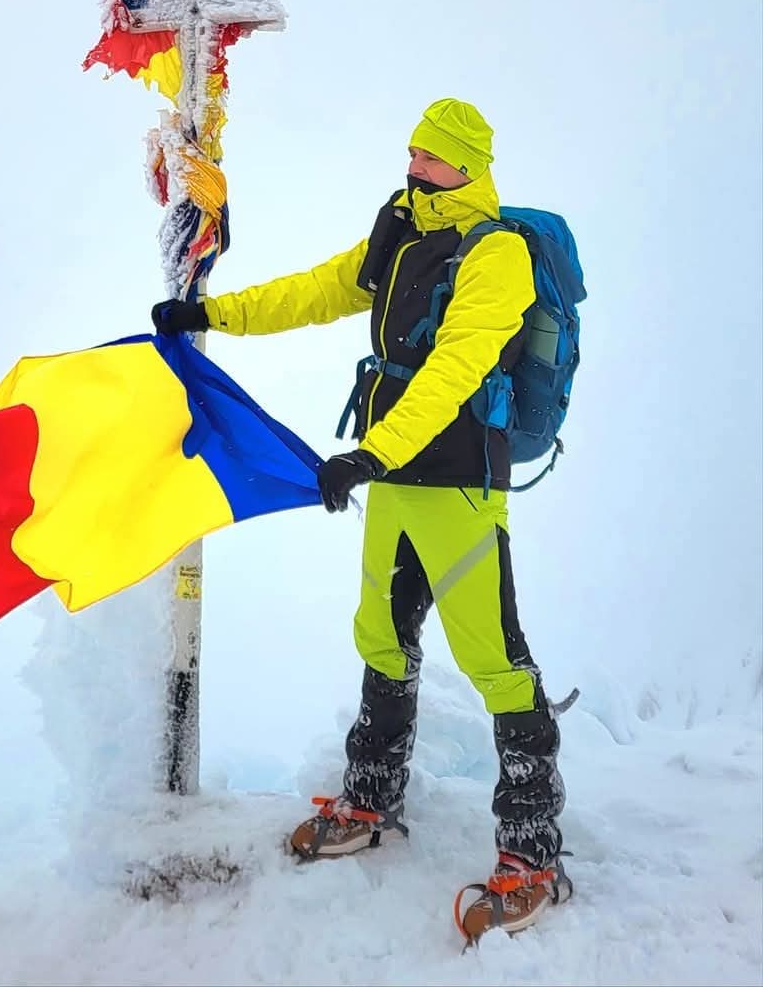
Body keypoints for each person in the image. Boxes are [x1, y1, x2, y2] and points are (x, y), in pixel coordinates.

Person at [152, 98, 570, 940]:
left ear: (469, 165)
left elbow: (454, 370)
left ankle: (533, 851)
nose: (415, 166)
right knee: (380, 635)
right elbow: (317, 291)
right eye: (412, 150)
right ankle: (370, 800)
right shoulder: (401, 228)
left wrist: (371, 452)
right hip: (392, 476)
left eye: (433, 157)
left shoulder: (500, 255)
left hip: (457, 481)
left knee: (495, 659)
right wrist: (211, 314)